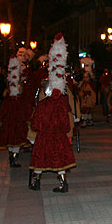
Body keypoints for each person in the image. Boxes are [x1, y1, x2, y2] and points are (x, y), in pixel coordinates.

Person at [29, 34, 76, 193]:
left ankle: (36, 182)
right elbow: (65, 124)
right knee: (59, 160)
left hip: (44, 136)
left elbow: (35, 123)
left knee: (40, 159)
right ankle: (63, 183)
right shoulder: (62, 105)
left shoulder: (43, 105)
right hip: (58, 136)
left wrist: (38, 129)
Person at [0, 57, 32, 168]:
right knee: (15, 142)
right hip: (15, 125)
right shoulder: (14, 101)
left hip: (14, 124)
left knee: (13, 143)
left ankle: (13, 158)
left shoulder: (13, 101)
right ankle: (13, 159)